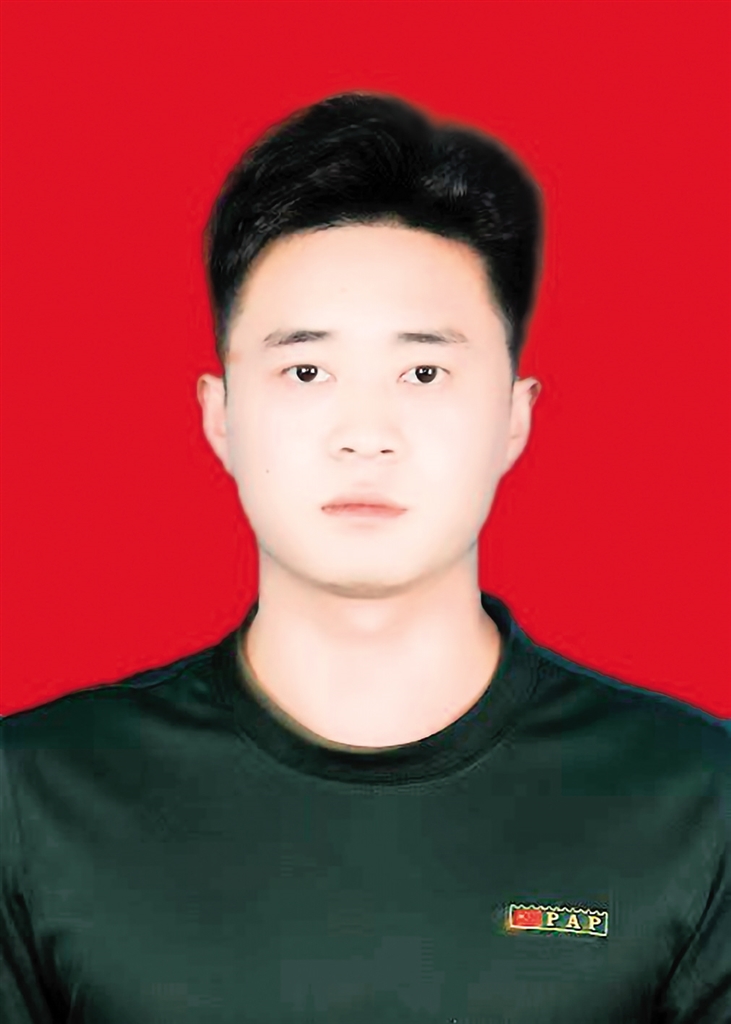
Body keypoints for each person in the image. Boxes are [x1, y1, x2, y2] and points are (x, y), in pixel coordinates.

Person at [1, 91, 728, 1023]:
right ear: (220, 417)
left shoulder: (696, 799)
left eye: (423, 372)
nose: (365, 434)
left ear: (514, 417)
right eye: (306, 371)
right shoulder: (34, 796)